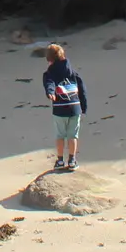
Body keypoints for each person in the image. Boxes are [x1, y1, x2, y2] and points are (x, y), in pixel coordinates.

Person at [43, 42, 87, 170]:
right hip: (75, 108)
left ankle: (60, 160)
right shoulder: (73, 73)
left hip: (60, 109)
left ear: (50, 60)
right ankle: (72, 160)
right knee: (73, 135)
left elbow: (49, 83)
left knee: (60, 135)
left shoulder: (49, 74)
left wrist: (50, 93)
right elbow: (82, 90)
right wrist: (83, 107)